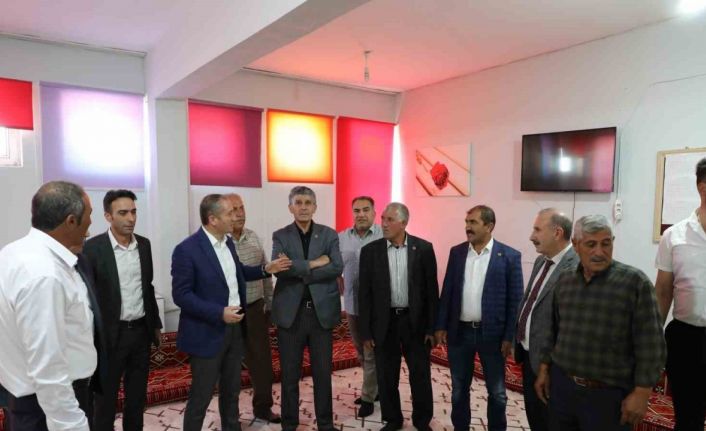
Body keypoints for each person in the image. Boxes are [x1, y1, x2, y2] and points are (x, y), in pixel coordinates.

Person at [535, 215, 666, 431]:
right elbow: (553, 331)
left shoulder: (634, 283)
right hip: (563, 390)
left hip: (608, 397)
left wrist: (642, 393)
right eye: (591, 244)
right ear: (576, 245)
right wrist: (544, 369)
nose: (599, 252)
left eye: (606, 244)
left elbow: (651, 344)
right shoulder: (565, 280)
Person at [172, 194, 291, 431]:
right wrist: (219, 313)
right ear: (212, 219)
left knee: (231, 391)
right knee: (201, 396)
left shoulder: (227, 243)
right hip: (207, 333)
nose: (235, 216)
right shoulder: (187, 250)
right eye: (229, 213)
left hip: (235, 329)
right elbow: (182, 295)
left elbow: (238, 274)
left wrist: (266, 269)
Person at [0, 181, 96, 431]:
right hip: (48, 407)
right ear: (71, 221)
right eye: (89, 215)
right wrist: (72, 425)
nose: (90, 224)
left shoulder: (13, 252)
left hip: (26, 398)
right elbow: (48, 369)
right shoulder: (45, 275)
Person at [435, 205, 523, 431]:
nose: (468, 227)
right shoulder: (457, 252)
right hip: (460, 332)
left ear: (489, 226)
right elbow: (448, 290)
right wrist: (441, 325)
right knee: (458, 388)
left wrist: (509, 337)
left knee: (497, 392)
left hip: (492, 335)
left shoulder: (509, 256)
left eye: (473, 222)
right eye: (467, 222)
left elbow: (515, 301)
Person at [82, 189, 163, 431]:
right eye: (123, 213)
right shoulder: (92, 248)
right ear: (108, 216)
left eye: (134, 212)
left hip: (139, 332)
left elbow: (147, 287)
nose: (131, 218)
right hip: (109, 336)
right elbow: (87, 295)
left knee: (136, 397)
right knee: (105, 399)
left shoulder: (144, 245)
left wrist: (155, 324)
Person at [358, 202, 438, 431]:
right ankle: (393, 420)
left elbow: (432, 292)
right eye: (383, 218)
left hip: (415, 323)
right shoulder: (370, 252)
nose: (383, 224)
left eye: (389, 220)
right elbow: (365, 295)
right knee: (386, 376)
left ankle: (422, 420)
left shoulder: (423, 249)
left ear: (404, 223)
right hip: (385, 323)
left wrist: (432, 328)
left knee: (420, 375)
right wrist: (366, 332)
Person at [271, 186, 343, 431]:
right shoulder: (280, 236)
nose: (303, 207)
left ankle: (325, 424)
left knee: (323, 374)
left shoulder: (329, 234)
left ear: (315, 207)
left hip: (321, 314)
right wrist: (314, 263)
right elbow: (282, 270)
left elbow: (336, 267)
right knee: (290, 375)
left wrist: (299, 269)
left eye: (308, 203)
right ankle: (289, 424)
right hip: (291, 316)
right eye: (298, 202)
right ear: (290, 207)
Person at [655, 157, 706, 431]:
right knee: (688, 418)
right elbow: (663, 292)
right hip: (687, 340)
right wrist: (652, 339)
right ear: (702, 187)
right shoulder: (674, 236)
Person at [514, 208, 577, 431]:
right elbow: (531, 302)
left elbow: (567, 324)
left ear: (557, 232)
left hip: (551, 365)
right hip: (529, 355)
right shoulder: (542, 261)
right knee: (535, 417)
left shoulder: (575, 267)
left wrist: (547, 365)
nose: (531, 236)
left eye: (537, 230)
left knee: (551, 421)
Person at [225, 193, 280, 424]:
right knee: (229, 366)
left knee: (261, 362)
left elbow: (266, 272)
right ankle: (230, 416)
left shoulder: (254, 237)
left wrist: (270, 303)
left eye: (241, 208)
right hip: (229, 313)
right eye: (233, 210)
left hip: (256, 309)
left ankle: (263, 407)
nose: (240, 213)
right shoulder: (219, 242)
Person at [338, 196, 382, 418]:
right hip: (352, 304)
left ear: (374, 212)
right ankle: (375, 389)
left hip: (377, 308)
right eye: (357, 210)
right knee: (360, 350)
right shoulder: (342, 238)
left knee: (370, 351)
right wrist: (337, 276)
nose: (361, 214)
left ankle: (368, 397)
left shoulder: (384, 235)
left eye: (366, 210)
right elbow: (335, 265)